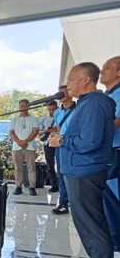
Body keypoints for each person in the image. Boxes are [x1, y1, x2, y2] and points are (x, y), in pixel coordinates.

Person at [49, 62, 117, 258]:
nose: (68, 85)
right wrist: (65, 137)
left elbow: (90, 142)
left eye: (72, 79)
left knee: (92, 224)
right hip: (79, 170)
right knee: (87, 223)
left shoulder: (95, 104)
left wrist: (62, 142)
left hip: (85, 171)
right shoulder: (88, 104)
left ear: (86, 80)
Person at [99, 55, 120, 258]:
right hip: (108, 153)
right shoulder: (108, 95)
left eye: (106, 68)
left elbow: (114, 123)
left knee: (114, 203)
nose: (102, 71)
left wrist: (90, 134)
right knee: (108, 203)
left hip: (116, 154)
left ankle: (117, 251)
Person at [51, 85, 76, 215]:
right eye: (59, 93)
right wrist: (55, 136)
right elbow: (58, 128)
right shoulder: (57, 112)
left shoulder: (79, 109)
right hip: (60, 146)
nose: (61, 95)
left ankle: (77, 203)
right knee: (60, 175)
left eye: (64, 93)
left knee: (73, 175)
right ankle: (63, 203)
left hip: (73, 145)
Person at [9, 99, 40, 196]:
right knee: (18, 169)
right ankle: (18, 187)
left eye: (25, 106)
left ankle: (32, 187)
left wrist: (25, 141)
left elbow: (35, 132)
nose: (23, 108)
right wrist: (19, 142)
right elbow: (11, 132)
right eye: (21, 106)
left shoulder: (34, 119)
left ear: (29, 107)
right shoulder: (14, 120)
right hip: (16, 147)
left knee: (31, 168)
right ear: (19, 107)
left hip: (29, 147)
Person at [38, 101, 59, 193]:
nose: (51, 111)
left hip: (59, 144)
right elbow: (38, 133)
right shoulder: (43, 119)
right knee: (50, 165)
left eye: (53, 109)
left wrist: (56, 130)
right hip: (48, 144)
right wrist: (45, 130)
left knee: (61, 165)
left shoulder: (62, 117)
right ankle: (54, 185)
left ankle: (63, 184)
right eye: (49, 109)